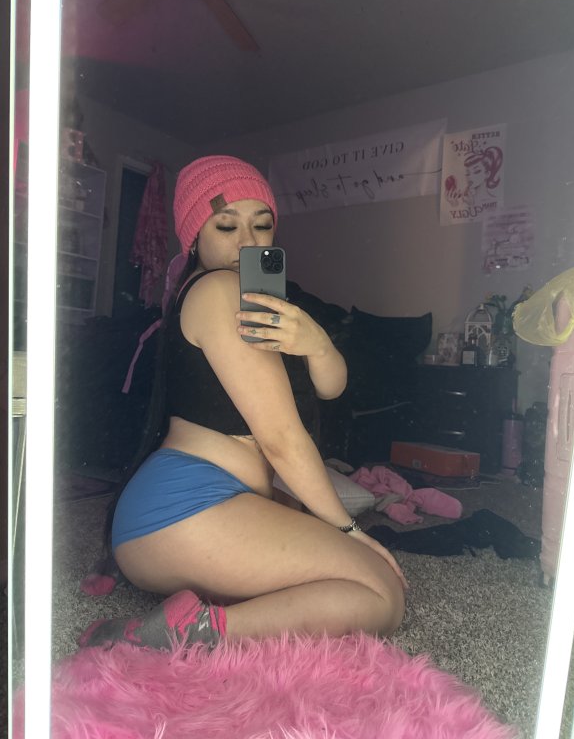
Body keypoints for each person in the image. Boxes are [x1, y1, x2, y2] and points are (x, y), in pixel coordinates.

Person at [80, 155, 407, 652]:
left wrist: (317, 344)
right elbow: (280, 438)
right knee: (381, 594)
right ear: (195, 237)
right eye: (227, 226)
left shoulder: (256, 300)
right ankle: (186, 633)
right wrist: (349, 528)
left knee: (357, 577)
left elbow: (331, 389)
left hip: (210, 505)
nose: (249, 243)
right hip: (182, 508)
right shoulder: (219, 289)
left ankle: (197, 615)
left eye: (262, 225)